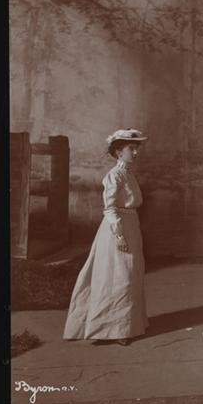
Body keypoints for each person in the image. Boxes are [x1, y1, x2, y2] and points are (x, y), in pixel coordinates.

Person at [63, 128, 149, 346]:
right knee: (118, 275)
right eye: (131, 148)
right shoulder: (114, 175)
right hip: (116, 228)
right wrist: (119, 234)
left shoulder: (128, 174)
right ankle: (112, 329)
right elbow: (109, 208)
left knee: (130, 273)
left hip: (131, 224)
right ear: (119, 152)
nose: (135, 152)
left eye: (136, 148)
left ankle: (126, 325)